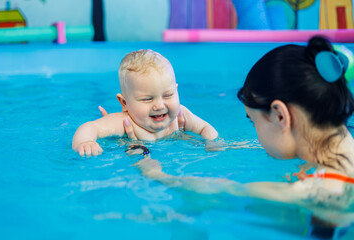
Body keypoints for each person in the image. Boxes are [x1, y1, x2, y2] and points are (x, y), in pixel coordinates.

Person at [131, 36, 354, 237]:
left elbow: (227, 189)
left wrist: (159, 175)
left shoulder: (320, 192)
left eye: (253, 121)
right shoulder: (341, 145)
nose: (256, 131)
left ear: (279, 115)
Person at [72, 49, 218, 157]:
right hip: (137, 150)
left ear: (176, 91)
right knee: (147, 163)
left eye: (168, 95)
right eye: (148, 99)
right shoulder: (125, 121)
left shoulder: (181, 115)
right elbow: (90, 126)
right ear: (124, 103)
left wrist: (212, 144)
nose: (160, 105)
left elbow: (204, 127)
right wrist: (85, 142)